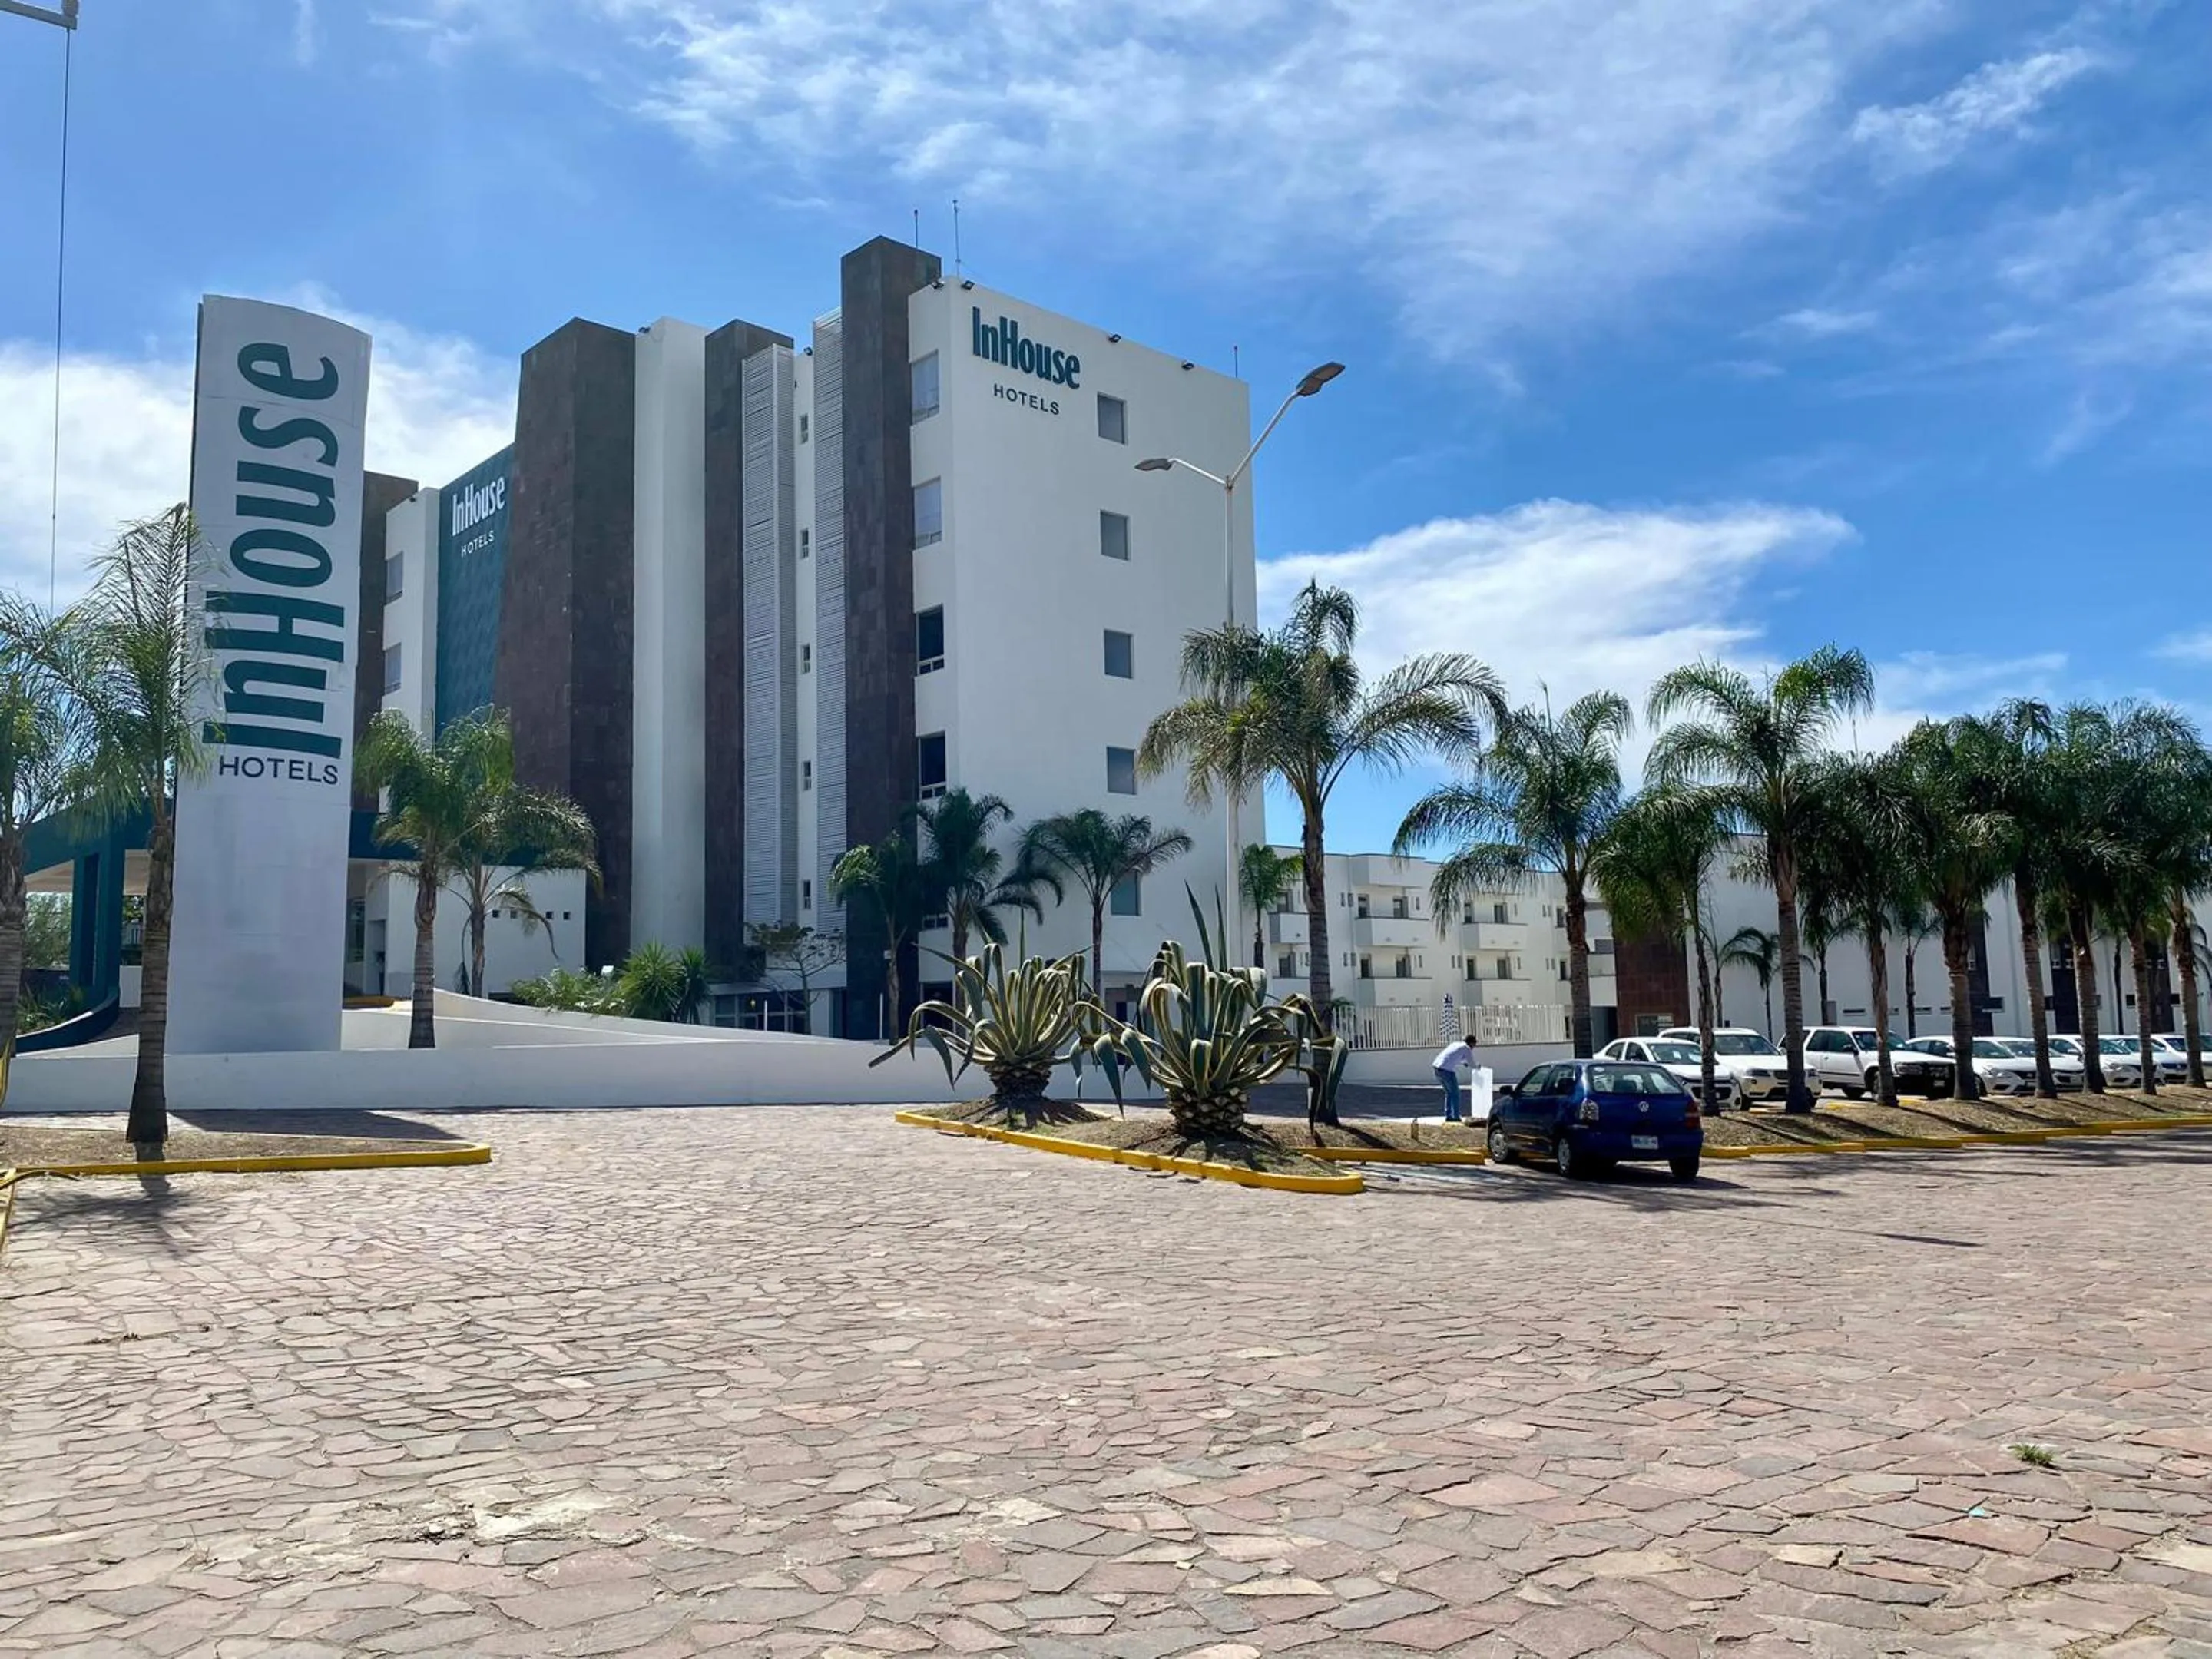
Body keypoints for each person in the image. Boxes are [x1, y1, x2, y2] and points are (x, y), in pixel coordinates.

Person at [1431, 1035, 1475, 1124]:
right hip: (1447, 1071)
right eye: (1474, 1045)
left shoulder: (1455, 1044)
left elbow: (1452, 1056)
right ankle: (1456, 1117)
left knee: (1449, 1093)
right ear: (1472, 1043)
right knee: (1456, 1094)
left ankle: (1449, 1116)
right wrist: (1478, 1067)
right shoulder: (1466, 1048)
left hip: (1437, 1068)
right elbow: (1472, 1063)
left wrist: (1463, 1063)